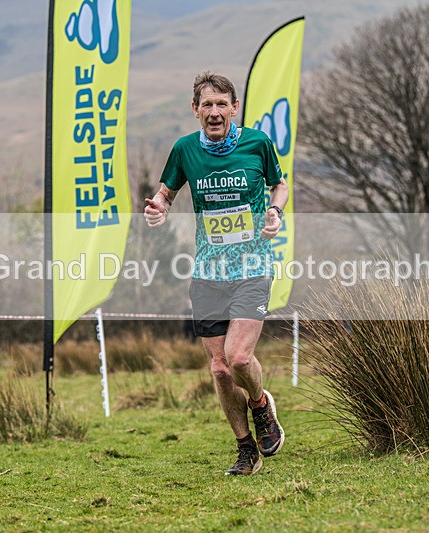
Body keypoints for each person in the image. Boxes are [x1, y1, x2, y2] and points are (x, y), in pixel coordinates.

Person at [144, 71, 288, 476]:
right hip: (208, 273)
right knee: (220, 369)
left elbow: (279, 185)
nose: (214, 112)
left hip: (252, 267)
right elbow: (166, 193)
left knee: (239, 358)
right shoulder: (185, 149)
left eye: (221, 104)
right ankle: (246, 449)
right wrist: (158, 208)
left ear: (234, 108)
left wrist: (274, 211)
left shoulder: (257, 143)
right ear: (195, 110)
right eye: (207, 104)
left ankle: (261, 404)